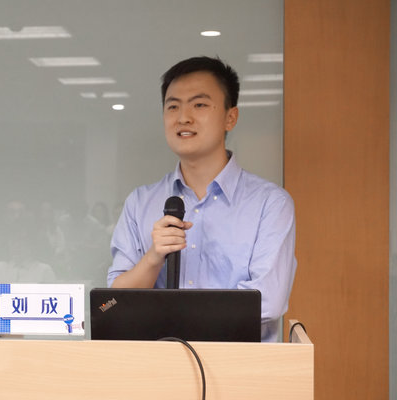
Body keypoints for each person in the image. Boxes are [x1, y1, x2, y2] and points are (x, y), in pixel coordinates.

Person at [106, 56, 297, 342]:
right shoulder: (139, 203)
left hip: (238, 365)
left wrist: (169, 317)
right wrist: (153, 259)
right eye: (173, 106)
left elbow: (266, 302)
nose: (183, 117)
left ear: (230, 117)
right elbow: (113, 303)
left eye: (199, 105)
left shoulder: (270, 204)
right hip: (156, 364)